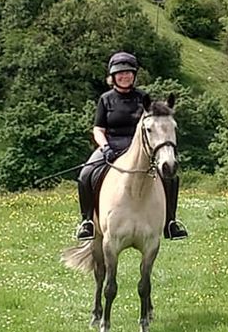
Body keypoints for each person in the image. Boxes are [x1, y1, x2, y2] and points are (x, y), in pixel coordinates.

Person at [75, 51, 188, 242]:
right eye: (120, 73)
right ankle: (87, 222)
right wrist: (105, 147)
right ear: (112, 77)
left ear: (134, 75)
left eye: (128, 72)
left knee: (171, 177)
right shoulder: (106, 99)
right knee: (85, 174)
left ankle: (170, 222)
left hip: (141, 149)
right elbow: (98, 129)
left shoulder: (144, 98)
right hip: (111, 147)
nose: (124, 76)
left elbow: (155, 125)